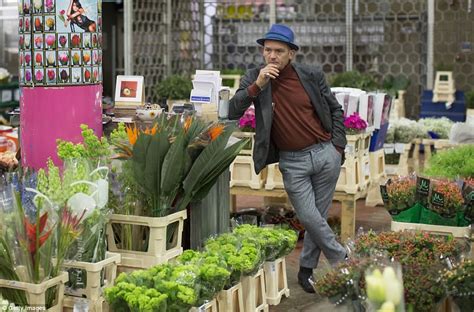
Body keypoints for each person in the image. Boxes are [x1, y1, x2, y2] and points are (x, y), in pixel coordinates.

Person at [228, 24, 348, 293]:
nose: (272, 56)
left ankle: (306, 271)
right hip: (292, 161)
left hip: (324, 153)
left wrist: (337, 146)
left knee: (318, 216)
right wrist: (258, 86)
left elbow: (335, 109)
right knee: (309, 217)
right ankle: (343, 260)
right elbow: (232, 110)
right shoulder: (254, 78)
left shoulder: (311, 75)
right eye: (267, 50)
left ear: (291, 53)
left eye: (279, 51)